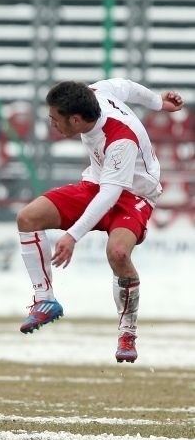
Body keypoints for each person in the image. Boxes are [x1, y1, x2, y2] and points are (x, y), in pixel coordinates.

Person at [16, 78, 184, 363]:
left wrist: (72, 235)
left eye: (55, 119)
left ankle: (127, 332)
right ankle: (45, 299)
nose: (52, 123)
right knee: (27, 218)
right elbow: (126, 85)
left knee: (118, 253)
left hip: (133, 195)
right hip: (98, 183)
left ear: (77, 120)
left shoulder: (120, 141)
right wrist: (158, 102)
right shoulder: (94, 92)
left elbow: (111, 195)